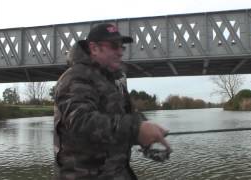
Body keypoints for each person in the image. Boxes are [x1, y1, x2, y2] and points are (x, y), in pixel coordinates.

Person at [54, 23, 170, 180]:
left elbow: (124, 116)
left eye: (122, 47)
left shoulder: (114, 80)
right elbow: (81, 122)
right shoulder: (75, 77)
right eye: (115, 46)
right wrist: (136, 129)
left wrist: (145, 134)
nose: (120, 52)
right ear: (94, 48)